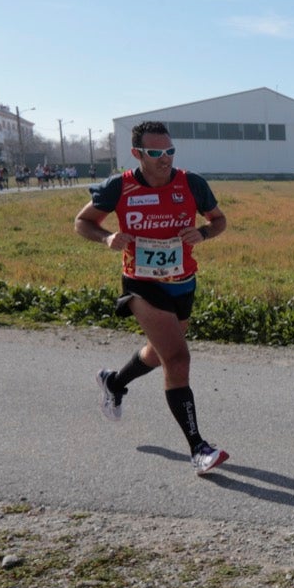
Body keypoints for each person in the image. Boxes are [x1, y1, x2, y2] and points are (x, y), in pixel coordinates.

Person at [74, 121, 230, 474]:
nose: (165, 159)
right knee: (177, 357)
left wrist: (203, 233)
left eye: (170, 151)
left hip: (183, 282)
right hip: (141, 283)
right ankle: (198, 448)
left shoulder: (191, 183)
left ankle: (114, 382)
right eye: (156, 153)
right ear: (138, 154)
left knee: (160, 354)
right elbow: (82, 222)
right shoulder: (120, 186)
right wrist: (106, 238)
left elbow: (219, 220)